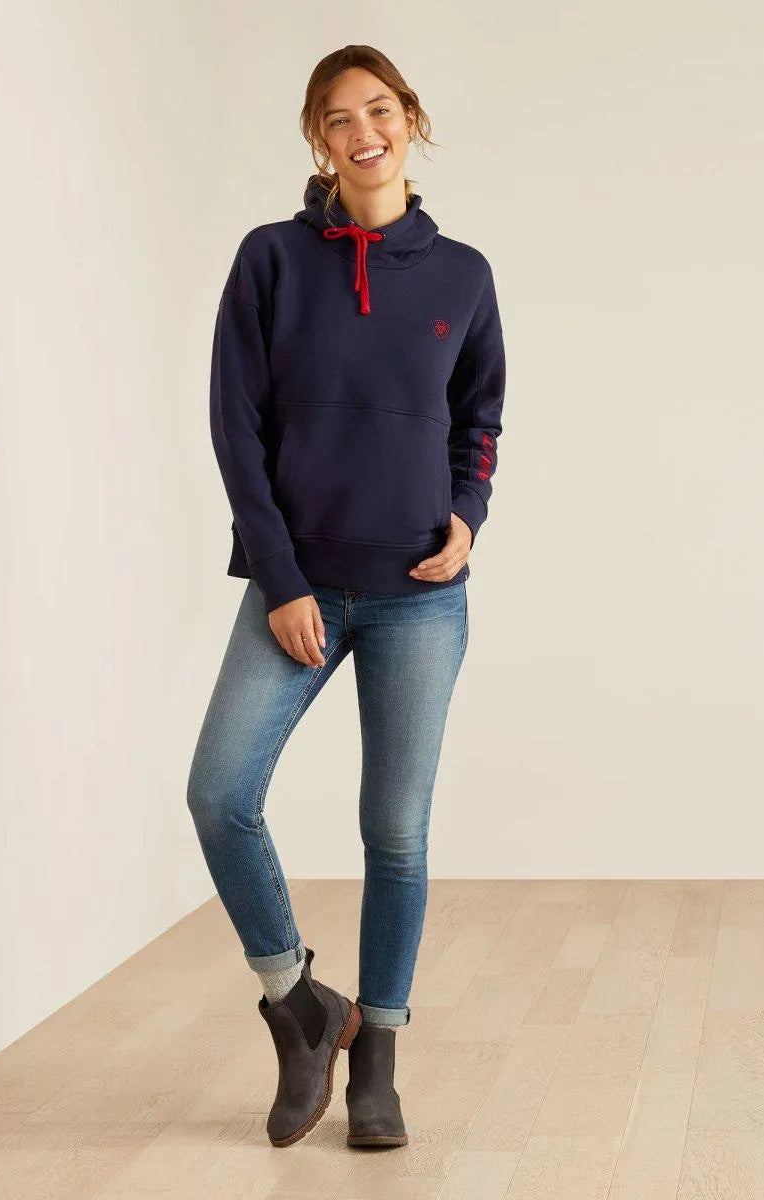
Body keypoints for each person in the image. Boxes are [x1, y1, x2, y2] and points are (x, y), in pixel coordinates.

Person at [186, 45, 506, 1151]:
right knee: (221, 793)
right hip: (302, 586)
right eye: (337, 117)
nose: (362, 130)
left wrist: (469, 515)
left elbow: (480, 419)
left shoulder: (462, 274)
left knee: (395, 834)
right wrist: (281, 579)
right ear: (317, 139)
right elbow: (236, 427)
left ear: (410, 116)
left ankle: (380, 1060)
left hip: (422, 595)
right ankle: (301, 1004)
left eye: (378, 109)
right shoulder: (272, 258)